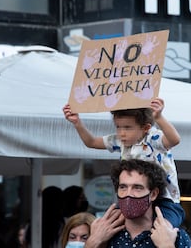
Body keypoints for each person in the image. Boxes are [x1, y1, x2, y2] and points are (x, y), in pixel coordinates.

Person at [63, 97, 184, 227]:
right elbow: (91, 142)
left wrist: (159, 117)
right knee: (109, 225)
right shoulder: (119, 141)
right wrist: (77, 123)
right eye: (118, 127)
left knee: (165, 227)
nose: (122, 133)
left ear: (145, 128)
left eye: (127, 128)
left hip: (163, 200)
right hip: (131, 198)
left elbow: (174, 140)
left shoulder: (152, 137)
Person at [84, 159, 191, 248]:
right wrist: (92, 242)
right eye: (123, 187)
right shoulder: (105, 234)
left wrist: (167, 246)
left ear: (153, 194)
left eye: (137, 187)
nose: (128, 194)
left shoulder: (174, 236)